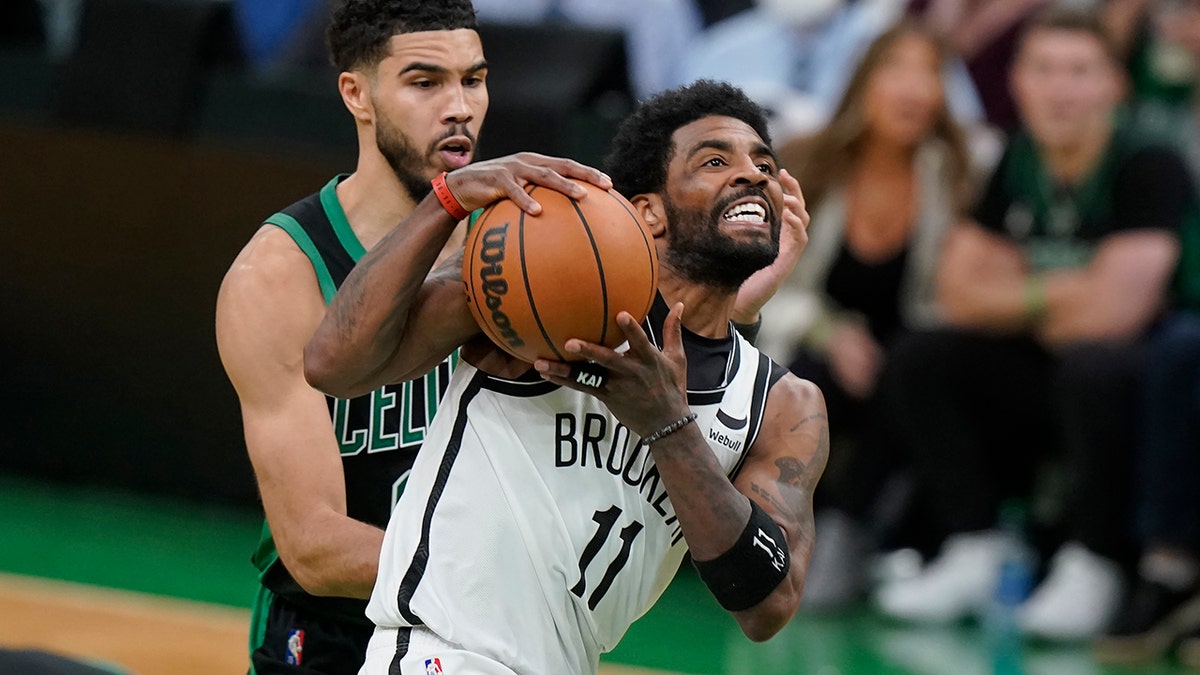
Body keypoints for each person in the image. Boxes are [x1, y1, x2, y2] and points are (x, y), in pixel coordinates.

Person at [303, 80, 824, 674]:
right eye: (715, 160)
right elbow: (333, 366)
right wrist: (444, 202)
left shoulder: (782, 403)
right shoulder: (540, 284)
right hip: (445, 655)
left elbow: (768, 606)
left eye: (765, 163)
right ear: (647, 211)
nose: (753, 174)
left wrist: (670, 427)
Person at [873, 4, 1192, 641]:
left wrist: (1018, 290)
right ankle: (973, 547)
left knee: (1092, 363)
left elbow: (1116, 313)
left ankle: (1094, 561)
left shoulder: (1148, 162)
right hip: (1047, 365)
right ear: (1016, 82)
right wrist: (1062, 293)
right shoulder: (1017, 160)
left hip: (1145, 381)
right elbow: (955, 290)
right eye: (1043, 69)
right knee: (921, 356)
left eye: (1079, 71)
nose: (1059, 89)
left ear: (1114, 86)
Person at [214, 1, 487, 672]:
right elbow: (312, 546)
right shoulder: (280, 273)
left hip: (477, 632)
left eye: (473, 79)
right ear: (355, 94)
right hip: (336, 636)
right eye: (425, 83)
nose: (460, 107)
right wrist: (495, 574)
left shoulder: (513, 244)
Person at [757, 18, 973, 610]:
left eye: (930, 73)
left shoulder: (957, 173)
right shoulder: (810, 160)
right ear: (863, 81)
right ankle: (776, 537)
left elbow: (957, 293)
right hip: (809, 338)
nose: (912, 88)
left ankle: (848, 533)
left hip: (912, 351)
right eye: (896, 68)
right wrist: (833, 331)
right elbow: (767, 284)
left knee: (910, 373)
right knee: (810, 378)